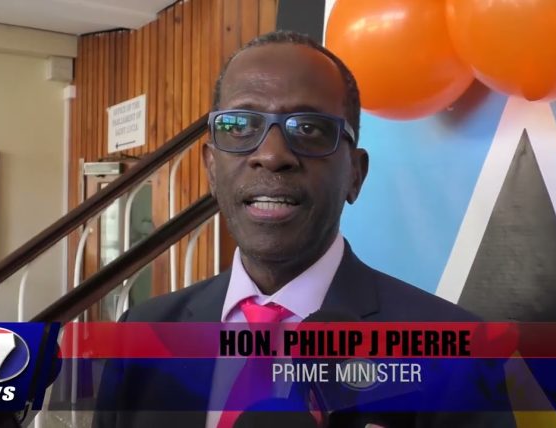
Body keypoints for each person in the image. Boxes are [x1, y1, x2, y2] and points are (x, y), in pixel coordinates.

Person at [93, 31, 514, 428]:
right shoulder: (140, 335)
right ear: (211, 169)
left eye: (309, 129)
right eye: (240, 126)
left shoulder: (456, 354)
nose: (272, 155)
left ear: (355, 175)